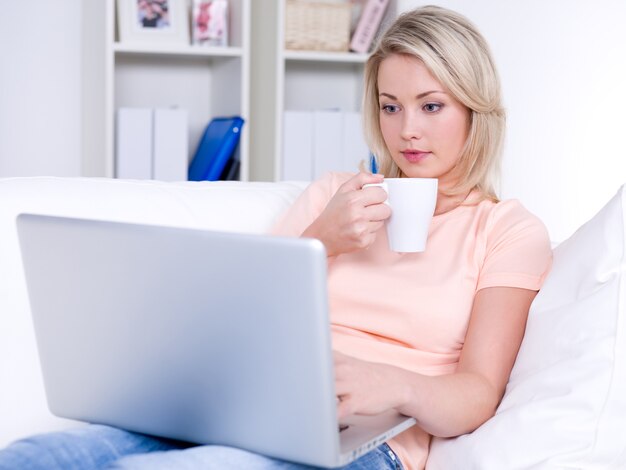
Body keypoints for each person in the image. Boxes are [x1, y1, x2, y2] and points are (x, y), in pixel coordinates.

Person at [0, 5, 552, 470]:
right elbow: (237, 318)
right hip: (243, 405)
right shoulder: (337, 195)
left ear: (475, 110)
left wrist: (396, 385)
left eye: (431, 106)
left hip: (368, 441)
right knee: (37, 457)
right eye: (390, 107)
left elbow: (480, 391)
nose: (406, 129)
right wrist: (323, 238)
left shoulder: (506, 230)